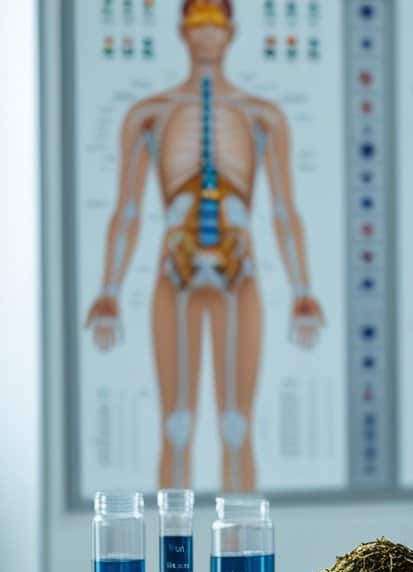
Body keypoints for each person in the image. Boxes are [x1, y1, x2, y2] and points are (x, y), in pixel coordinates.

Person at [85, 0, 323, 492]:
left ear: (230, 31)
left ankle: (243, 564)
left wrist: (303, 289)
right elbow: (127, 210)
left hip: (242, 270)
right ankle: (176, 563)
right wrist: (109, 290)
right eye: (198, 22)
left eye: (215, 22)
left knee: (237, 427)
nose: (207, 33)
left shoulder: (263, 116)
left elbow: (284, 210)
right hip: (175, 268)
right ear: (183, 31)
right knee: (175, 427)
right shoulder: (149, 114)